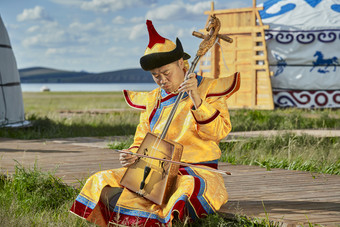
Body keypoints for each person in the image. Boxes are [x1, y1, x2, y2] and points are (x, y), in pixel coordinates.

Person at [70, 20, 240, 226]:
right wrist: (132, 154)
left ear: (181, 63)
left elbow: (217, 133)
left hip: (196, 170)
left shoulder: (209, 89)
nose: (161, 80)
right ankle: (142, 210)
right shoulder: (153, 100)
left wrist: (196, 98)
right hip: (153, 171)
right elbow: (141, 138)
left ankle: (144, 212)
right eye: (155, 75)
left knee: (187, 187)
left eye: (166, 73)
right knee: (100, 180)